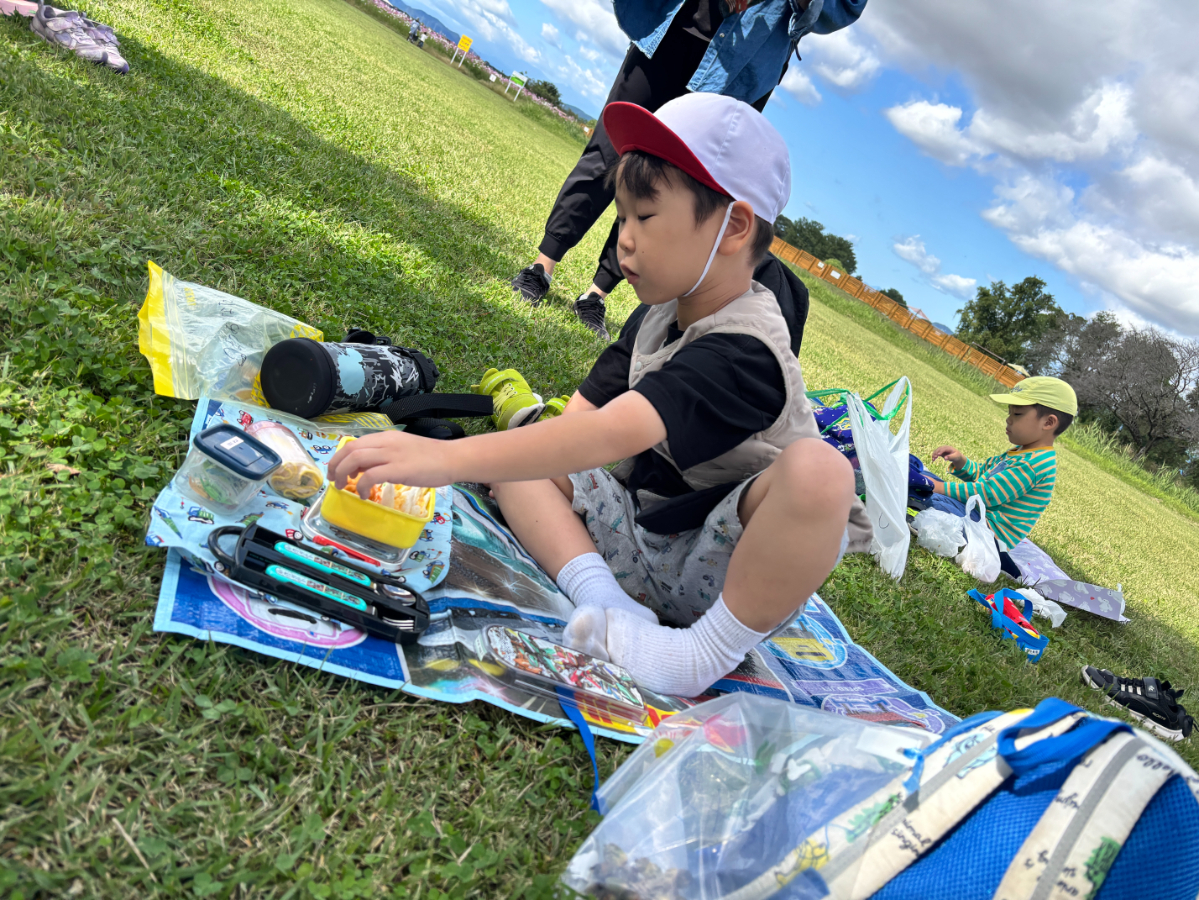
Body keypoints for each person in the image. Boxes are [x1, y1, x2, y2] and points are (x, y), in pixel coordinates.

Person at [328, 94, 857, 697]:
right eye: (622, 218)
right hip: (638, 537)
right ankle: (607, 602)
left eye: (645, 217)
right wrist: (508, 459)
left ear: (733, 227)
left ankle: (697, 656)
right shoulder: (658, 314)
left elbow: (612, 431)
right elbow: (576, 424)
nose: (624, 241)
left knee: (822, 473)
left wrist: (443, 460)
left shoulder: (745, 348)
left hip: (724, 573)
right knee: (526, 457)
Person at [509, 0, 868, 340]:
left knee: (668, 189)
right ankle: (542, 266)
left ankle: (596, 295)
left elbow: (847, 6)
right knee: (609, 151)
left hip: (743, 68)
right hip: (675, 30)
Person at [912, 376, 1077, 577]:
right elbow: (984, 476)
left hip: (987, 533)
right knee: (926, 479)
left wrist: (934, 486)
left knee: (931, 496)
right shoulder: (1022, 452)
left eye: (1017, 414)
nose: (1008, 419)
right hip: (977, 515)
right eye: (1010, 412)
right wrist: (961, 461)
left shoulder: (1034, 464)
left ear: (1048, 422)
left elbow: (987, 494)